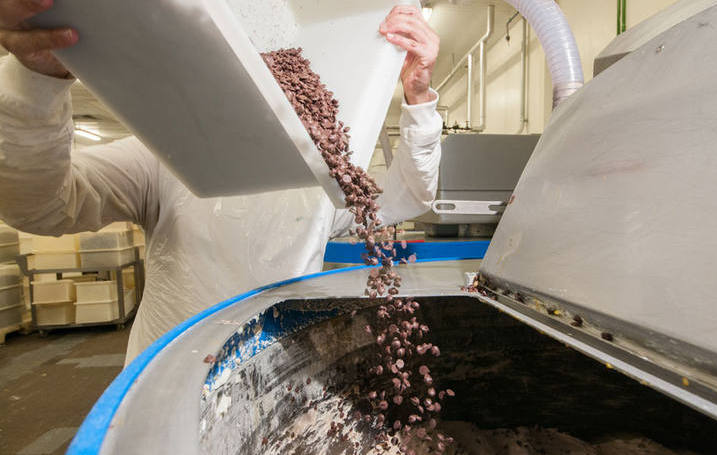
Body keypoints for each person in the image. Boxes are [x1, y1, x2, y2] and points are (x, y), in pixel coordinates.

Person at [0, 3, 442, 364]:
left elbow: (406, 197)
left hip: (275, 367)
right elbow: (44, 207)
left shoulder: (321, 175)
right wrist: (37, 80)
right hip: (172, 374)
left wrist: (418, 97)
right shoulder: (166, 155)